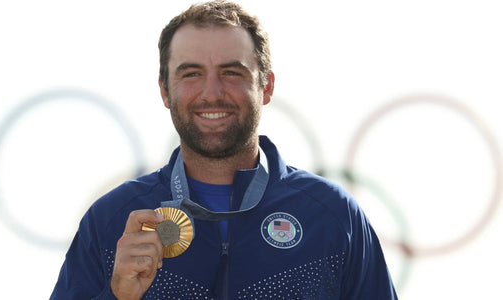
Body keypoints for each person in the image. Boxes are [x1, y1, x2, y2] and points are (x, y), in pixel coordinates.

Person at [51, 1, 398, 299]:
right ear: (165, 91)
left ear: (266, 86)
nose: (212, 93)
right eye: (191, 74)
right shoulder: (110, 222)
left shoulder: (333, 216)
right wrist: (118, 296)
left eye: (232, 73)